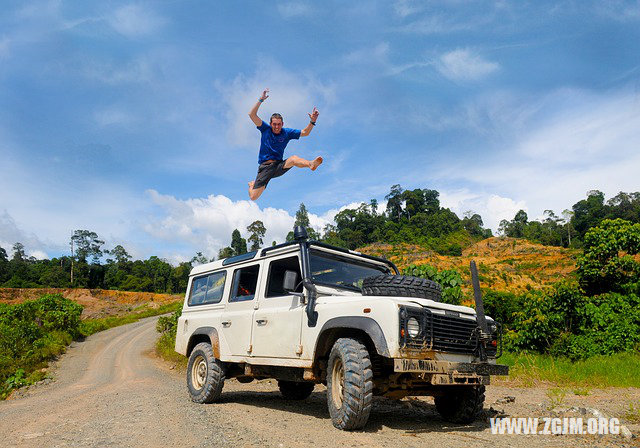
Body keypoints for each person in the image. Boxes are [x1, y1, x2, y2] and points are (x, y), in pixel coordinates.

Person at [247, 88, 323, 201]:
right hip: (265, 168)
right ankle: (251, 185)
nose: (276, 127)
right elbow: (252, 114)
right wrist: (260, 100)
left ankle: (311, 164)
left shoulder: (286, 132)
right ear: (270, 124)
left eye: (279, 124)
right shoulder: (265, 129)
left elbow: (305, 132)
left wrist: (312, 121)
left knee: (293, 159)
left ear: (282, 124)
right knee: (253, 197)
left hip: (278, 165)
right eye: (274, 124)